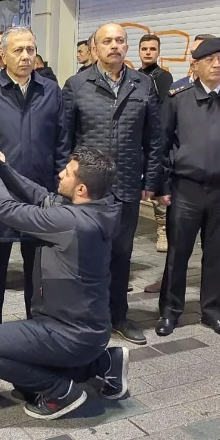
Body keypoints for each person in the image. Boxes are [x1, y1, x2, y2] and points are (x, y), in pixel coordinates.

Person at [0, 146, 130, 420]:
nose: (59, 174)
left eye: (66, 173)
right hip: (86, 331)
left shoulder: (72, 222)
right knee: (22, 360)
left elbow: (8, 210)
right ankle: (105, 363)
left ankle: (61, 392)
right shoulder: (93, 209)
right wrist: (1, 166)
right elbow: (41, 196)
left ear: (81, 190)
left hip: (70, 335)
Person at [156, 37, 220, 338]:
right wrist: (162, 185)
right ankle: (170, 311)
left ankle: (214, 311)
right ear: (196, 64)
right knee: (178, 253)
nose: (218, 64)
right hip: (185, 188)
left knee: (219, 254)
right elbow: (163, 145)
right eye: (211, 59)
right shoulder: (179, 97)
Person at [63, 23, 162, 345]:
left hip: (127, 185)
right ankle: (82, 317)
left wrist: (152, 178)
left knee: (121, 254)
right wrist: (64, 182)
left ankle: (118, 315)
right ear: (94, 49)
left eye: (120, 41)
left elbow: (155, 138)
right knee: (83, 255)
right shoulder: (77, 85)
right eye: (107, 41)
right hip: (87, 189)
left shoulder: (143, 84)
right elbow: (63, 140)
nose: (114, 46)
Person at [0, 26, 70, 329]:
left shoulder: (50, 90)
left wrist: (60, 195)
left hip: (40, 195)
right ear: (2, 54)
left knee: (38, 271)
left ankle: (38, 329)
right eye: (18, 50)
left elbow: (62, 142)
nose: (26, 56)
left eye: (31, 49)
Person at [138, 34, 174, 254]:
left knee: (157, 183)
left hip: (155, 137)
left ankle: (163, 230)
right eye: (145, 48)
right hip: (136, 137)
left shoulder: (163, 77)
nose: (148, 52)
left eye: (152, 48)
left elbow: (160, 109)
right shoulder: (134, 76)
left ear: (158, 52)